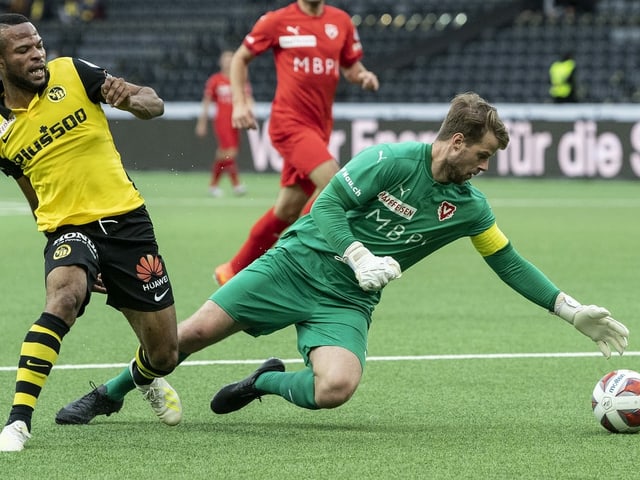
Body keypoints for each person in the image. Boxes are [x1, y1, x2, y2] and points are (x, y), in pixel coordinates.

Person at [56, 92, 629, 426]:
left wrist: (569, 310)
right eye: (480, 156)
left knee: (335, 388)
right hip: (294, 265)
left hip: (347, 300)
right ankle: (109, 394)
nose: (483, 168)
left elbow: (509, 264)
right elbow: (326, 208)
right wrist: (356, 253)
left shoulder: (470, 208)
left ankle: (266, 382)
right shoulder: (388, 160)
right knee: (188, 337)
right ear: (456, 141)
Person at [0, 13, 181, 452]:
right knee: (63, 297)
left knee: (164, 355)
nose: (37, 53)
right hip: (69, 229)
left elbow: (152, 102)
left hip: (128, 224)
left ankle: (143, 379)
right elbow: (33, 193)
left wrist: (135, 101)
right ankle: (17, 422)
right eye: (23, 49)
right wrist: (60, 246)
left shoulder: (73, 73)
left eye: (38, 44)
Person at [213, 0, 379, 285]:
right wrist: (240, 104)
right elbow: (240, 58)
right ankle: (302, 264)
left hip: (320, 128)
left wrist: (362, 76)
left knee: (287, 210)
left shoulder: (341, 22)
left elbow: (350, 66)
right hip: (288, 124)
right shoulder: (277, 21)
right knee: (339, 187)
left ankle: (232, 270)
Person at [195, 49, 251, 197]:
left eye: (231, 59)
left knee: (223, 154)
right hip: (222, 121)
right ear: (221, 62)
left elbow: (247, 98)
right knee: (229, 152)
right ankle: (236, 184)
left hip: (236, 121)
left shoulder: (239, 79)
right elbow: (206, 102)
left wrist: (249, 115)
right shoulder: (215, 80)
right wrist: (202, 123)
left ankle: (213, 186)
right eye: (225, 59)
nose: (228, 61)